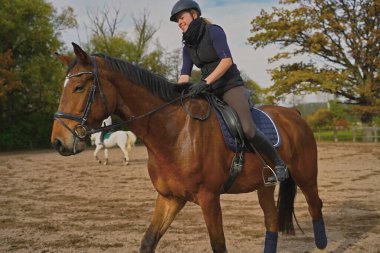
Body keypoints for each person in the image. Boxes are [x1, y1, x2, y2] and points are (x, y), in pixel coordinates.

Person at [170, 0, 288, 183]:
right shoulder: (188, 46)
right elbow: (184, 74)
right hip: (209, 90)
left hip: (230, 86)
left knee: (248, 129)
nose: (179, 22)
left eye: (181, 17)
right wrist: (176, 94)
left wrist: (205, 82)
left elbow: (226, 61)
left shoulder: (214, 31)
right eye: (177, 20)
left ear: (194, 14)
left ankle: (280, 165)